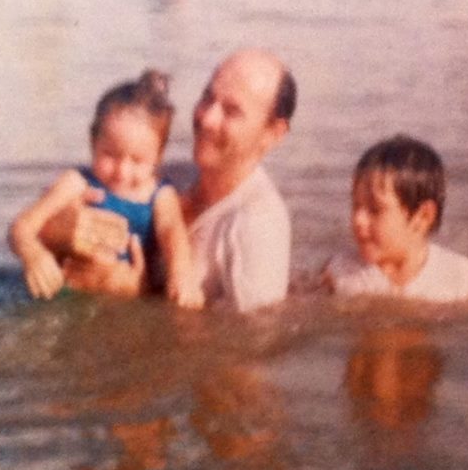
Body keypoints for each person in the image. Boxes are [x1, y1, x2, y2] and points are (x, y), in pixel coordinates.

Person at [43, 48, 297, 313]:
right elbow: (41, 228)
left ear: (273, 133)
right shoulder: (165, 176)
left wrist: (134, 292)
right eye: (207, 97)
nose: (206, 118)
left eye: (231, 111)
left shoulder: (259, 225)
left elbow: (243, 347)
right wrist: (61, 226)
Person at [8, 70, 204, 309]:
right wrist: (34, 255)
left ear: (158, 158)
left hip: (124, 300)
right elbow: (22, 226)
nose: (122, 171)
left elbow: (171, 230)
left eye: (137, 160)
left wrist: (181, 273)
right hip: (63, 293)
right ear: (93, 143)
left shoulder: (161, 194)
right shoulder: (76, 182)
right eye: (110, 155)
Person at [322, 134, 468, 303]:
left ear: (423, 217)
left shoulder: (460, 279)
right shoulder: (339, 273)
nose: (358, 220)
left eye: (375, 210)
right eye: (356, 206)